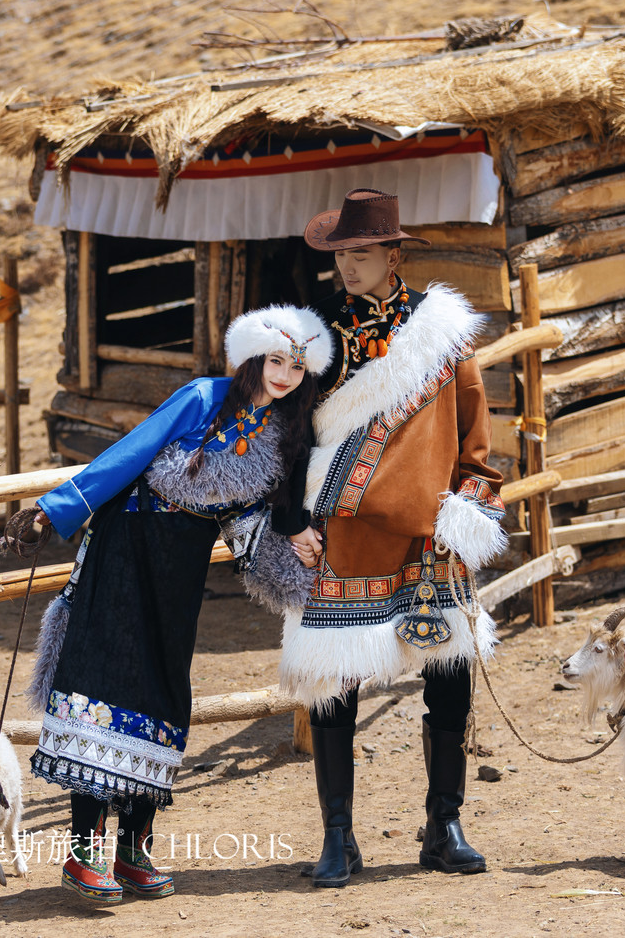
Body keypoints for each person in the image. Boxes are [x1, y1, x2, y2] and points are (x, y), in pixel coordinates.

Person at [25, 305, 331, 905]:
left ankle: (133, 851)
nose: (284, 375)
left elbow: (254, 513)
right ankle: (83, 852)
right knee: (104, 681)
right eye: (275, 360)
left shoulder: (285, 435)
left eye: (296, 366)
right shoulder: (201, 398)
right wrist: (52, 509)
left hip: (181, 569)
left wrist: (295, 546)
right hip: (126, 548)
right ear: (251, 358)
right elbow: (131, 454)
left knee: (163, 690)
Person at [274, 188, 508, 887]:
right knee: (333, 688)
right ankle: (338, 838)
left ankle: (445, 826)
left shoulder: (444, 336)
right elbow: (286, 438)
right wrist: (290, 520)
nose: (348, 266)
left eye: (362, 253)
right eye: (341, 254)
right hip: (340, 535)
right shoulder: (315, 342)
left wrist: (467, 513)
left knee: (450, 677)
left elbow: (476, 444)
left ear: (393, 255)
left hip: (428, 539)